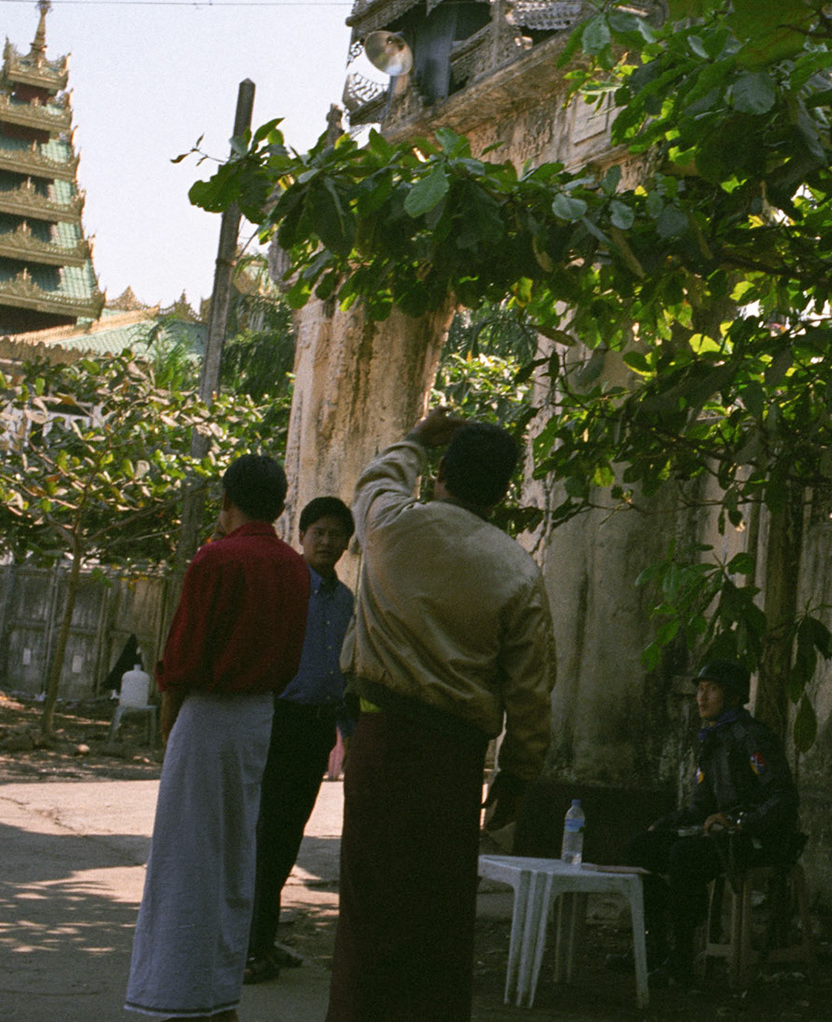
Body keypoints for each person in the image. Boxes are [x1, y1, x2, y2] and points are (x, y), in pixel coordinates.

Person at [324, 409, 557, 1022]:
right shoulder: (517, 569)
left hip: (381, 741)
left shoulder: (392, 524)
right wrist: (518, 774)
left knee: (369, 911)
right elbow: (531, 690)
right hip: (454, 761)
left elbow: (376, 478)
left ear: (441, 473)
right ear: (503, 491)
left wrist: (417, 440)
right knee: (439, 919)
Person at [124, 455, 310, 1022]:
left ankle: (172, 994)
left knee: (185, 855)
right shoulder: (296, 568)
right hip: (259, 718)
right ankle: (217, 990)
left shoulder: (216, 560)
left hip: (208, 714)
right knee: (234, 857)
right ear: (280, 505)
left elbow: (183, 657)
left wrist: (168, 720)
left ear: (227, 499)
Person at [620, 658, 800, 985]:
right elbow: (698, 808)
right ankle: (653, 948)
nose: (701, 698)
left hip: (758, 840)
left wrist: (736, 821)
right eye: (700, 690)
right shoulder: (711, 738)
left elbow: (783, 799)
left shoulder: (751, 737)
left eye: (712, 690)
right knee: (641, 847)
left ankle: (681, 962)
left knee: (683, 857)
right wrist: (663, 825)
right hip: (721, 837)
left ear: (732, 698)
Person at [244, 495, 356, 984]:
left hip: (317, 726)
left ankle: (263, 940)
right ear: (302, 536)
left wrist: (345, 733)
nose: (327, 541)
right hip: (278, 720)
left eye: (337, 534)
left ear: (347, 543)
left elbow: (346, 673)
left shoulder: (347, 600)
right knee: (263, 835)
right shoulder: (285, 586)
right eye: (319, 533)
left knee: (288, 836)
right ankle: (247, 947)